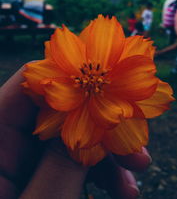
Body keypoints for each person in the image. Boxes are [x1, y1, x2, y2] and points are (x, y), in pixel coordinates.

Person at [0, 66, 152, 199]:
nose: (93, 80)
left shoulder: (117, 113)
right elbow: (40, 80)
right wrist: (77, 142)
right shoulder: (56, 90)